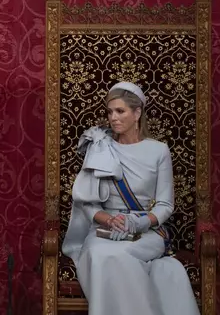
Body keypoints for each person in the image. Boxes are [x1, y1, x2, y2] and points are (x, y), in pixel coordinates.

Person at [62, 81, 199, 315]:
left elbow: (166, 205)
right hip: (104, 231)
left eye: (120, 111)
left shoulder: (158, 150)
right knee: (100, 253)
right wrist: (107, 220)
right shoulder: (100, 147)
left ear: (137, 113)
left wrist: (142, 222)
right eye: (110, 111)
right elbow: (87, 201)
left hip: (145, 232)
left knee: (119, 256)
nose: (113, 117)